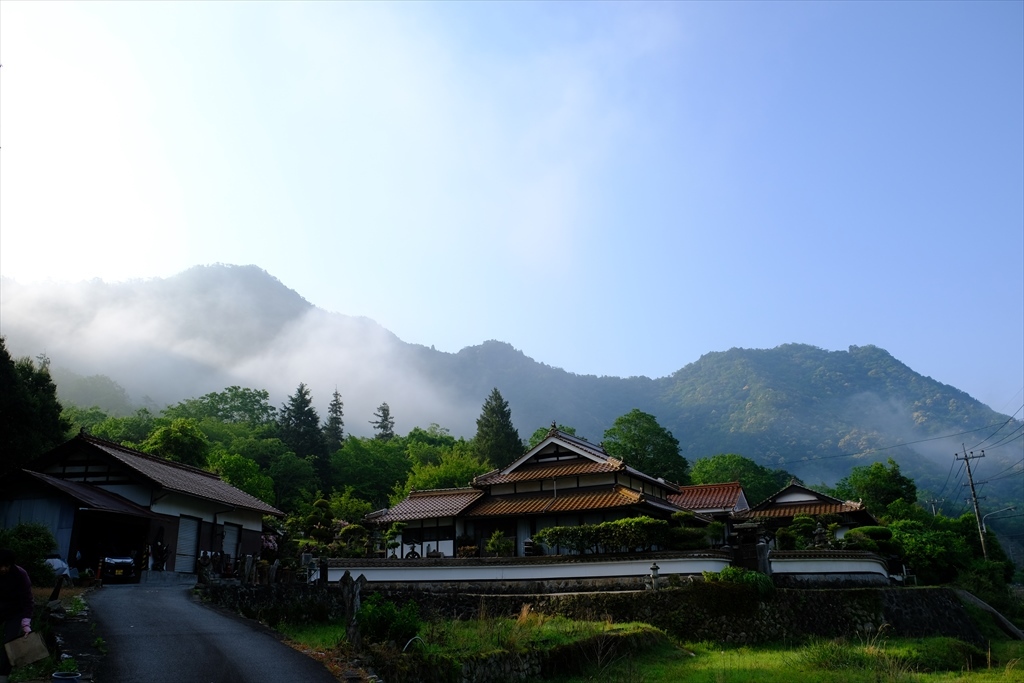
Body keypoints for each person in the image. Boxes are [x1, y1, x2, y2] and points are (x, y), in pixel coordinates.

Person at [0, 548, 34, 683]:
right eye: (0, 566)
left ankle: (2, 676)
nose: (3, 569)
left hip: (15, 611)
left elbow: (27, 599)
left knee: (10, 642)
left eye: (6, 566)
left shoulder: (20, 574)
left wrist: (26, 623)